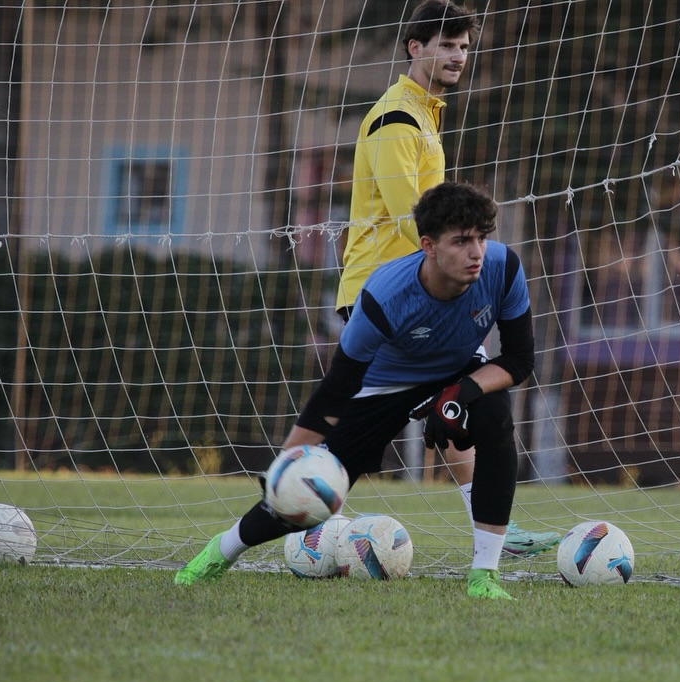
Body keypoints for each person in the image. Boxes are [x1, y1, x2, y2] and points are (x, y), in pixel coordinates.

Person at [176, 182, 533, 600]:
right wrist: (284, 467)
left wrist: (463, 392)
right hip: (384, 384)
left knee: (495, 419)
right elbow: (334, 392)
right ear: (428, 246)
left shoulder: (503, 268)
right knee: (310, 492)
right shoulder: (385, 297)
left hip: (458, 370)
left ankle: (484, 576)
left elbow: (519, 360)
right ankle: (222, 550)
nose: (476, 252)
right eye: (461, 241)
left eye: (481, 238)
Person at [336, 0, 558, 557]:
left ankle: (490, 528)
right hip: (385, 294)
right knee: (374, 428)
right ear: (415, 47)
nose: (458, 55)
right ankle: (310, 518)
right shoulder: (395, 119)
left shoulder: (424, 112)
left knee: (465, 394)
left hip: (417, 291)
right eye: (445, 44)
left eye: (463, 46)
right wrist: (460, 283)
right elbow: (417, 220)